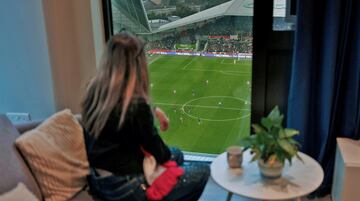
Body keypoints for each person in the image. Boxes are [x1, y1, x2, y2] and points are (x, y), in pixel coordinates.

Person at [81, 32, 209, 201]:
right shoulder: (136, 106)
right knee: (203, 172)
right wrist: (148, 111)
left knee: (177, 154)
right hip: (127, 186)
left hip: (101, 180)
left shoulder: (94, 91)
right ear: (137, 64)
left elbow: (121, 115)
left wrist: (153, 109)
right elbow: (159, 153)